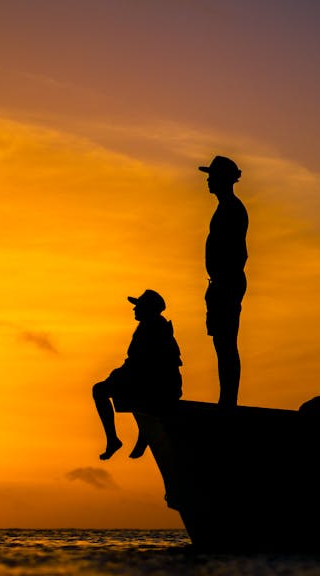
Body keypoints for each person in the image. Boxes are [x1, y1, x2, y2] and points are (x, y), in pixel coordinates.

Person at [93, 289, 183, 460]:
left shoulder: (154, 329)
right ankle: (135, 437)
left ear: (148, 309)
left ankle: (121, 438)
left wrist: (116, 377)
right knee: (110, 388)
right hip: (153, 382)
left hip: (160, 387)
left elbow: (145, 365)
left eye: (138, 306)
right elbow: (136, 364)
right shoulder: (151, 326)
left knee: (100, 390)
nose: (134, 310)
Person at [199, 155, 249, 408]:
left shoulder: (232, 208)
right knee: (222, 342)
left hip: (226, 283)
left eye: (212, 175)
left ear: (223, 179)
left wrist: (223, 280)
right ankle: (226, 399)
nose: (208, 180)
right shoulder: (225, 207)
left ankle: (228, 400)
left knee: (227, 343)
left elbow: (239, 251)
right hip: (221, 282)